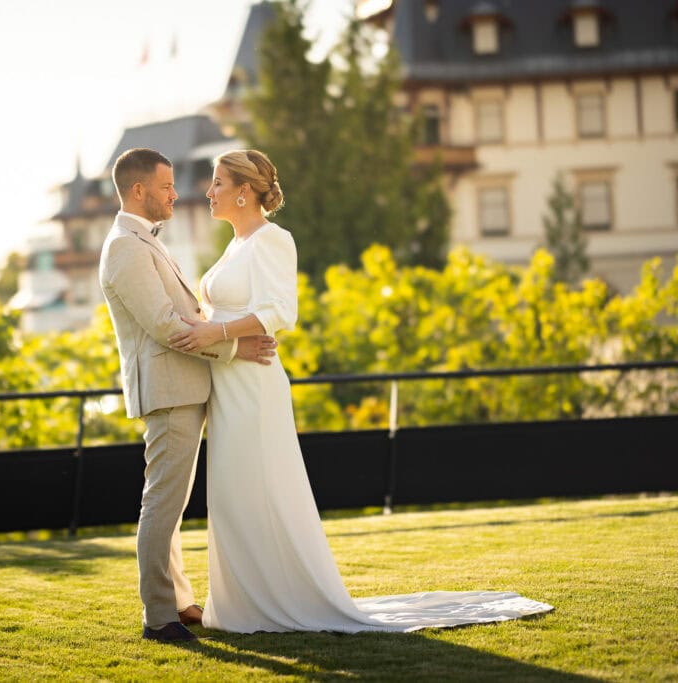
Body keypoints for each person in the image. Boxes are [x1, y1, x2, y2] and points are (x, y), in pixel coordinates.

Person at [168, 149, 554, 633]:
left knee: (258, 488)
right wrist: (203, 329)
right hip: (227, 385)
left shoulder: (272, 240)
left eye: (218, 183)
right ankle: (242, 601)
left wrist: (216, 334)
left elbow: (280, 311)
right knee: (232, 495)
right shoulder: (235, 245)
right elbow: (223, 315)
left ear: (245, 191)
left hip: (254, 387)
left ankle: (273, 602)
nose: (209, 192)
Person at [98, 148, 278, 642]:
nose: (176, 194)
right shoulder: (125, 247)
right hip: (169, 390)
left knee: (170, 506)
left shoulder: (144, 242)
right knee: (161, 504)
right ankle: (159, 617)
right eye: (166, 187)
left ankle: (177, 602)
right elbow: (164, 326)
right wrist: (234, 348)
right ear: (139, 191)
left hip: (183, 386)